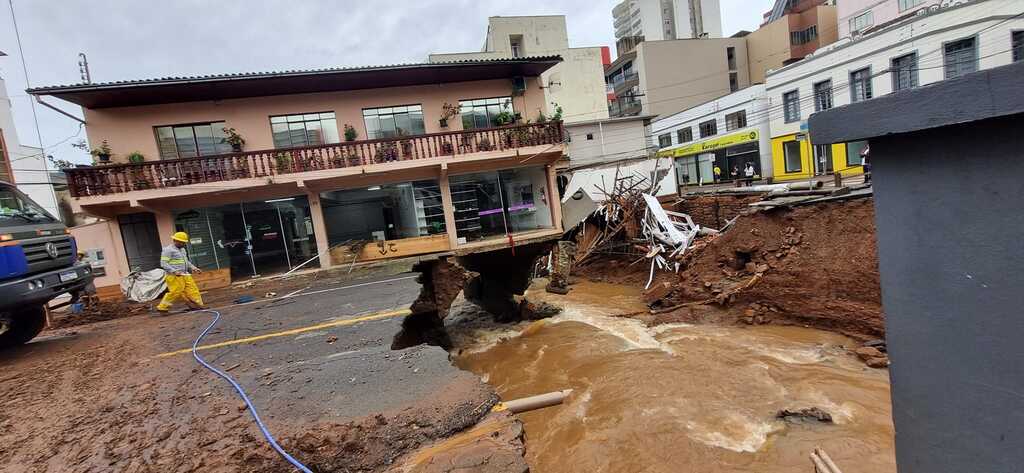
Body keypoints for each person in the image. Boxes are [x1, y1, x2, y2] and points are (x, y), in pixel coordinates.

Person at [156, 232, 206, 314]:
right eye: (181, 242)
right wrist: (174, 271)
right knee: (176, 292)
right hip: (174, 276)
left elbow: (186, 261)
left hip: (185, 274)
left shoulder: (182, 250)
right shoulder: (168, 250)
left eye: (184, 242)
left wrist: (194, 268)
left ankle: (198, 305)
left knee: (193, 290)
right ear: (175, 240)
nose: (183, 244)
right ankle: (163, 307)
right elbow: (163, 263)